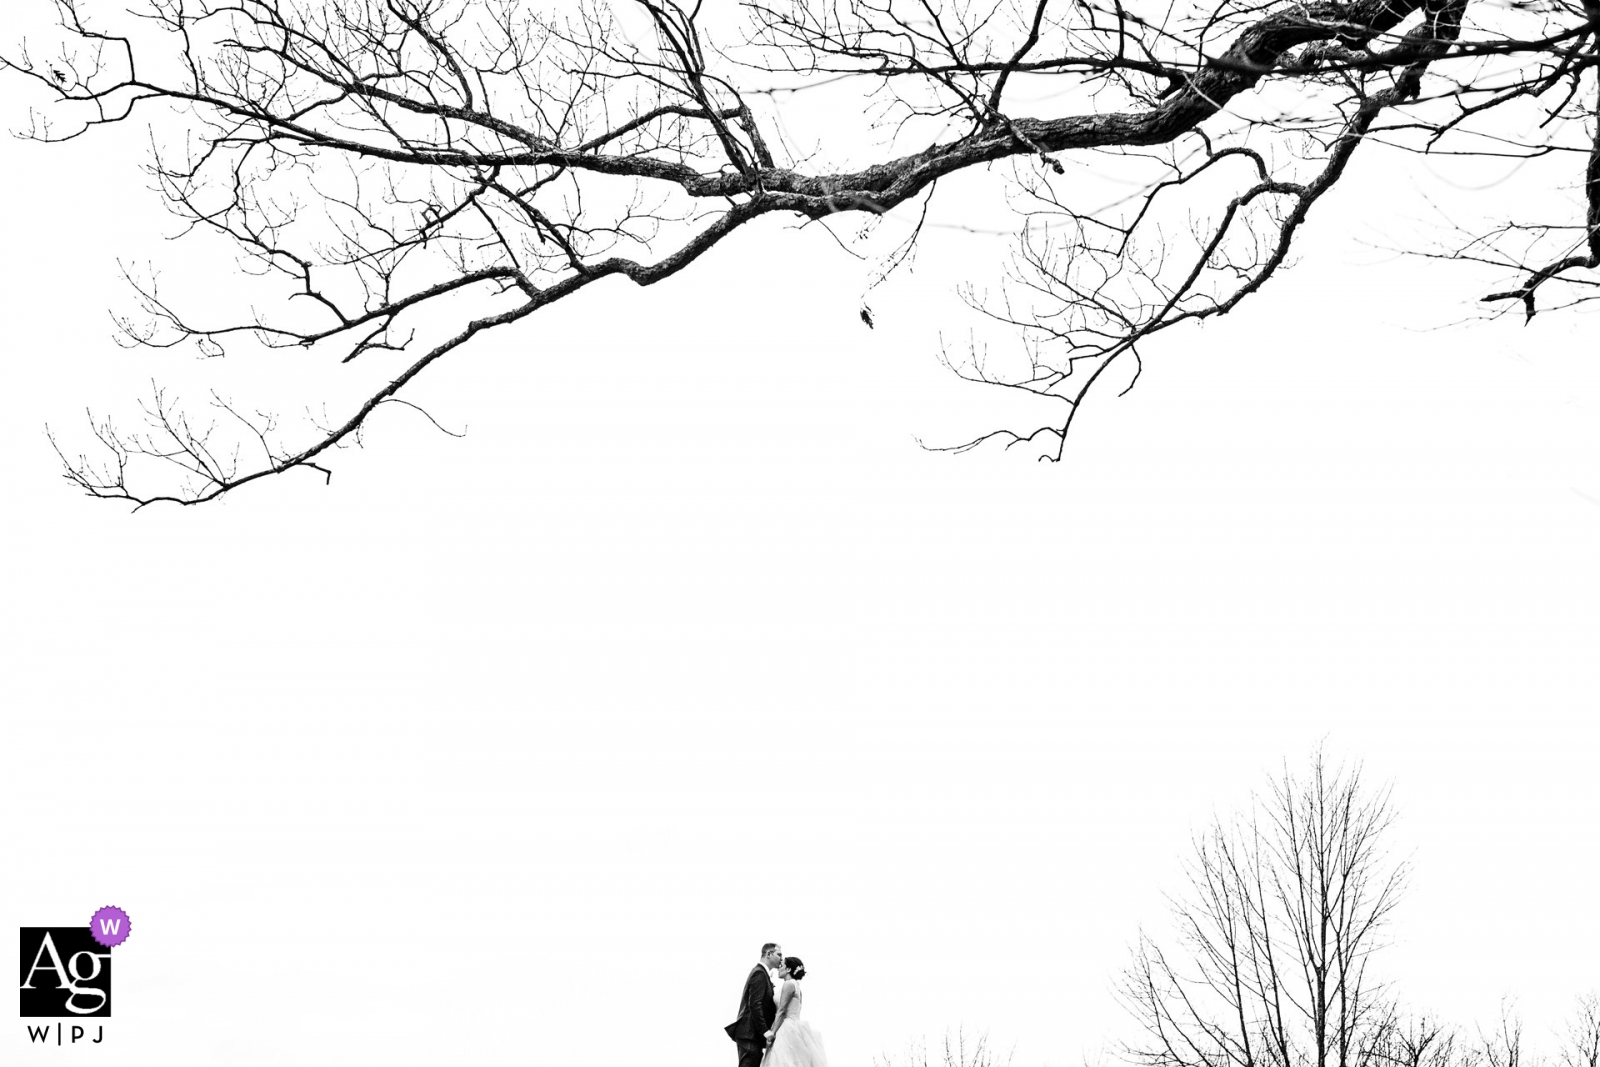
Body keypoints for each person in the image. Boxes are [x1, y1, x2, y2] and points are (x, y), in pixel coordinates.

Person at [762, 957, 829, 1067]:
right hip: (794, 1026)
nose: (779, 968)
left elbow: (782, 1011)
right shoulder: (797, 986)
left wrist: (772, 1033)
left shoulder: (788, 984)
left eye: (782, 965)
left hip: (786, 1027)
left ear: (788, 969)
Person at [725, 943, 782, 1067]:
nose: (781, 959)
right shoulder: (759, 974)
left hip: (752, 1036)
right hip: (749, 1035)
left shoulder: (761, 973)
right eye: (779, 955)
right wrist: (765, 1031)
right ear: (769, 954)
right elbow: (755, 1004)